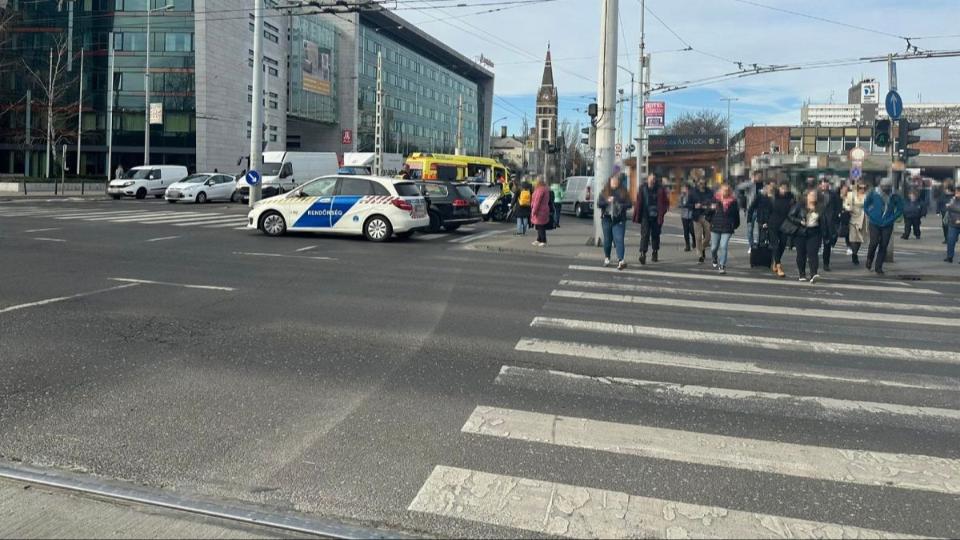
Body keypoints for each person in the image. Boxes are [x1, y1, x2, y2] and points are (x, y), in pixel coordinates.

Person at [863, 177, 904, 276]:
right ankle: (869, 259)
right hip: (874, 222)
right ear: (880, 186)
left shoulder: (894, 195)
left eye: (887, 187)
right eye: (883, 187)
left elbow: (900, 209)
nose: (885, 189)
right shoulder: (874, 193)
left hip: (887, 224)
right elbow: (866, 205)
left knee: (884, 244)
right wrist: (871, 214)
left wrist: (892, 218)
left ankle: (878, 267)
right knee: (873, 243)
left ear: (890, 187)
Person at [786, 189, 829, 283]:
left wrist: (826, 233)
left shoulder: (820, 207)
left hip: (814, 232)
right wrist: (799, 221)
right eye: (811, 195)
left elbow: (824, 221)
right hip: (801, 232)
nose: (813, 197)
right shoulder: (799, 205)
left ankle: (814, 274)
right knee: (801, 254)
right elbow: (790, 216)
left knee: (813, 254)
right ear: (807, 196)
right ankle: (802, 274)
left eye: (815, 195)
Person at [633, 174, 669, 264]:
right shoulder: (643, 188)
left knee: (655, 235)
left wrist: (663, 211)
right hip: (645, 215)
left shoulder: (660, 189)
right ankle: (643, 254)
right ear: (647, 179)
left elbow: (666, 202)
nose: (652, 181)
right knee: (645, 234)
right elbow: (639, 200)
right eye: (651, 179)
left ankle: (655, 252)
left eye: (654, 179)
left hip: (656, 215)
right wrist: (637, 212)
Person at [598, 173, 632, 270]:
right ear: (610, 181)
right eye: (613, 180)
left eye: (616, 181)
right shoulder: (604, 192)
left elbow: (629, 204)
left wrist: (619, 204)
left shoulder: (623, 191)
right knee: (607, 240)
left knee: (619, 239)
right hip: (607, 218)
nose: (614, 182)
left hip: (619, 219)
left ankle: (621, 260)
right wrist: (607, 201)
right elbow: (599, 203)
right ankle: (607, 257)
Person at [706, 183, 739, 274]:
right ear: (720, 191)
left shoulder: (733, 201)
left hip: (727, 227)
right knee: (714, 248)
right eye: (724, 190)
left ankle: (722, 265)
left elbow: (736, 215)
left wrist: (734, 225)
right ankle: (714, 258)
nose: (725, 192)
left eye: (727, 190)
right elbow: (707, 213)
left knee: (723, 246)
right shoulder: (715, 199)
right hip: (715, 226)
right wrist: (711, 210)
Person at [768, 181, 795, 278]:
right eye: (782, 188)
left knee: (783, 244)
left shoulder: (791, 198)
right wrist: (764, 222)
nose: (784, 190)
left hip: (785, 224)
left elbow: (793, 211)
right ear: (779, 188)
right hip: (773, 224)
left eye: (785, 188)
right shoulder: (773, 197)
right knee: (775, 244)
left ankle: (776, 261)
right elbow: (767, 210)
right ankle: (779, 266)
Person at [687, 171, 714, 263]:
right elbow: (688, 204)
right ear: (698, 183)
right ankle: (700, 255)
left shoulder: (710, 192)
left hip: (707, 216)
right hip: (697, 216)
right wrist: (694, 206)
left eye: (704, 183)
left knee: (708, 237)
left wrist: (712, 206)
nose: (702, 185)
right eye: (701, 183)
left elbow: (714, 201)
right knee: (698, 237)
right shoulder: (693, 192)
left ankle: (701, 248)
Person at [817, 177, 841, 272]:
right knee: (815, 243)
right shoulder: (816, 194)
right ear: (820, 185)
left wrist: (836, 216)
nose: (824, 186)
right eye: (822, 184)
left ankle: (826, 263)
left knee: (827, 244)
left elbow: (838, 206)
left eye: (826, 184)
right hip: (818, 221)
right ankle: (811, 259)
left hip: (829, 222)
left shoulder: (833, 194)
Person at [844, 180, 869, 265]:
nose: (862, 189)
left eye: (864, 188)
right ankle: (854, 254)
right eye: (861, 188)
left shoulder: (867, 196)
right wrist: (849, 208)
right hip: (853, 218)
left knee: (860, 239)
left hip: (863, 219)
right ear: (857, 188)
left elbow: (870, 205)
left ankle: (855, 252)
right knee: (853, 238)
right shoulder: (851, 195)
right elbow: (846, 204)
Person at [744, 170, 764, 252]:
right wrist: (751, 182)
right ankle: (751, 246)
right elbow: (739, 187)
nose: (760, 177)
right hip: (751, 209)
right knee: (750, 229)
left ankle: (759, 245)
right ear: (754, 176)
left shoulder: (764, 185)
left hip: (761, 209)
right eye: (758, 176)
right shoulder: (750, 185)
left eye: (761, 176)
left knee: (760, 228)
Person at [530, 179, 551, 247]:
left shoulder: (540, 190)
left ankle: (543, 240)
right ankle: (539, 239)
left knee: (541, 226)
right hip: (544, 209)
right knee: (539, 225)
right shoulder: (545, 189)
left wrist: (534, 211)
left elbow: (537, 201)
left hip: (539, 210)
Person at [944, 184, 960, 263]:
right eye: (956, 192)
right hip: (953, 223)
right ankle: (949, 257)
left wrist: (950, 207)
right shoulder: (953, 199)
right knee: (950, 241)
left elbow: (951, 207)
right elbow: (947, 207)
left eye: (958, 192)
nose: (957, 193)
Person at [678, 184, 695, 252]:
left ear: (687, 189)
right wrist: (682, 204)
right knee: (686, 230)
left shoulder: (692, 195)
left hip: (691, 215)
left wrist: (687, 205)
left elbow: (694, 205)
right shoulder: (682, 196)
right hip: (684, 215)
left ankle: (694, 241)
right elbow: (679, 204)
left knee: (692, 230)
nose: (682, 190)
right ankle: (687, 245)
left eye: (684, 188)